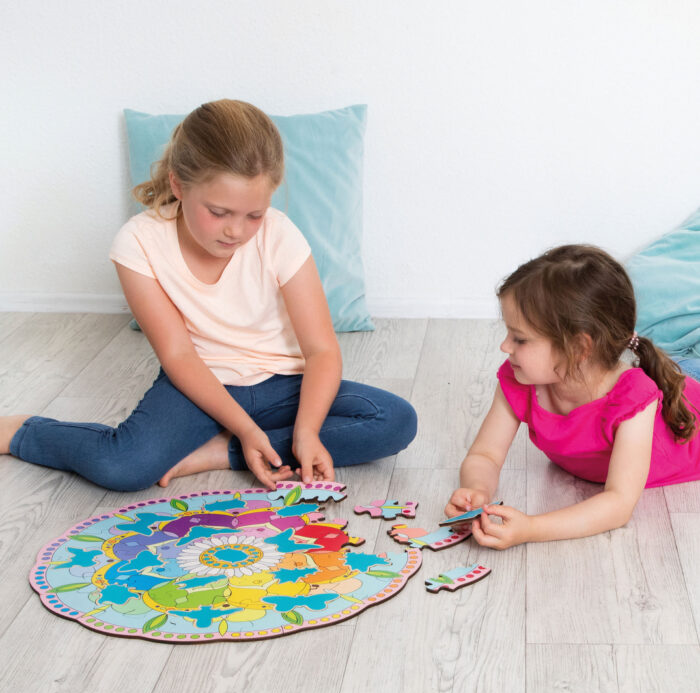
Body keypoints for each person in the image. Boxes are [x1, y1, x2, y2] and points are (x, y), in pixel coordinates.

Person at [0, 99, 417, 491]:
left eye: (254, 214)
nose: (236, 230)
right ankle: (20, 431)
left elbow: (322, 350)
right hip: (199, 384)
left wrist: (307, 432)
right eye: (218, 213)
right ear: (178, 185)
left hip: (285, 384)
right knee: (124, 465)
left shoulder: (280, 234)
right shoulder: (138, 244)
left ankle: (219, 452)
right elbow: (179, 356)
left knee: (395, 420)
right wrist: (248, 428)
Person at [445, 244, 700, 550]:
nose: (504, 346)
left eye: (520, 339)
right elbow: (485, 455)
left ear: (579, 349)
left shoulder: (633, 400)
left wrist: (531, 528)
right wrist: (475, 490)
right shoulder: (521, 379)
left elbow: (618, 504)